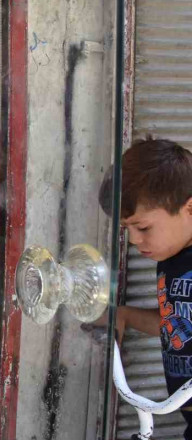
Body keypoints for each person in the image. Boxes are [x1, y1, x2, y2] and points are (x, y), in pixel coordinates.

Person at [110, 137, 192, 438]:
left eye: (143, 228)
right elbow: (175, 325)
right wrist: (125, 316)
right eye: (126, 229)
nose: (133, 241)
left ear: (189, 209)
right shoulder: (172, 261)